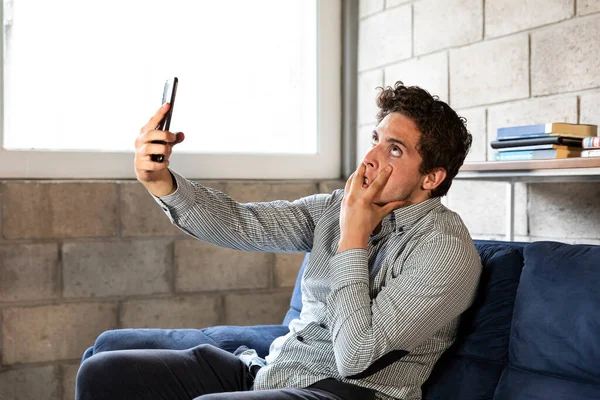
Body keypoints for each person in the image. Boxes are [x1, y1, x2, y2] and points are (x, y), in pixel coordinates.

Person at [75, 82, 482, 400]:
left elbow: (356, 356)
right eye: (375, 140)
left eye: (394, 149)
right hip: (273, 372)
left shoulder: (444, 248)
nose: (370, 159)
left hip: (349, 393)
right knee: (104, 374)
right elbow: (244, 224)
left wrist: (353, 236)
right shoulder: (336, 208)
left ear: (432, 178)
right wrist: (161, 183)